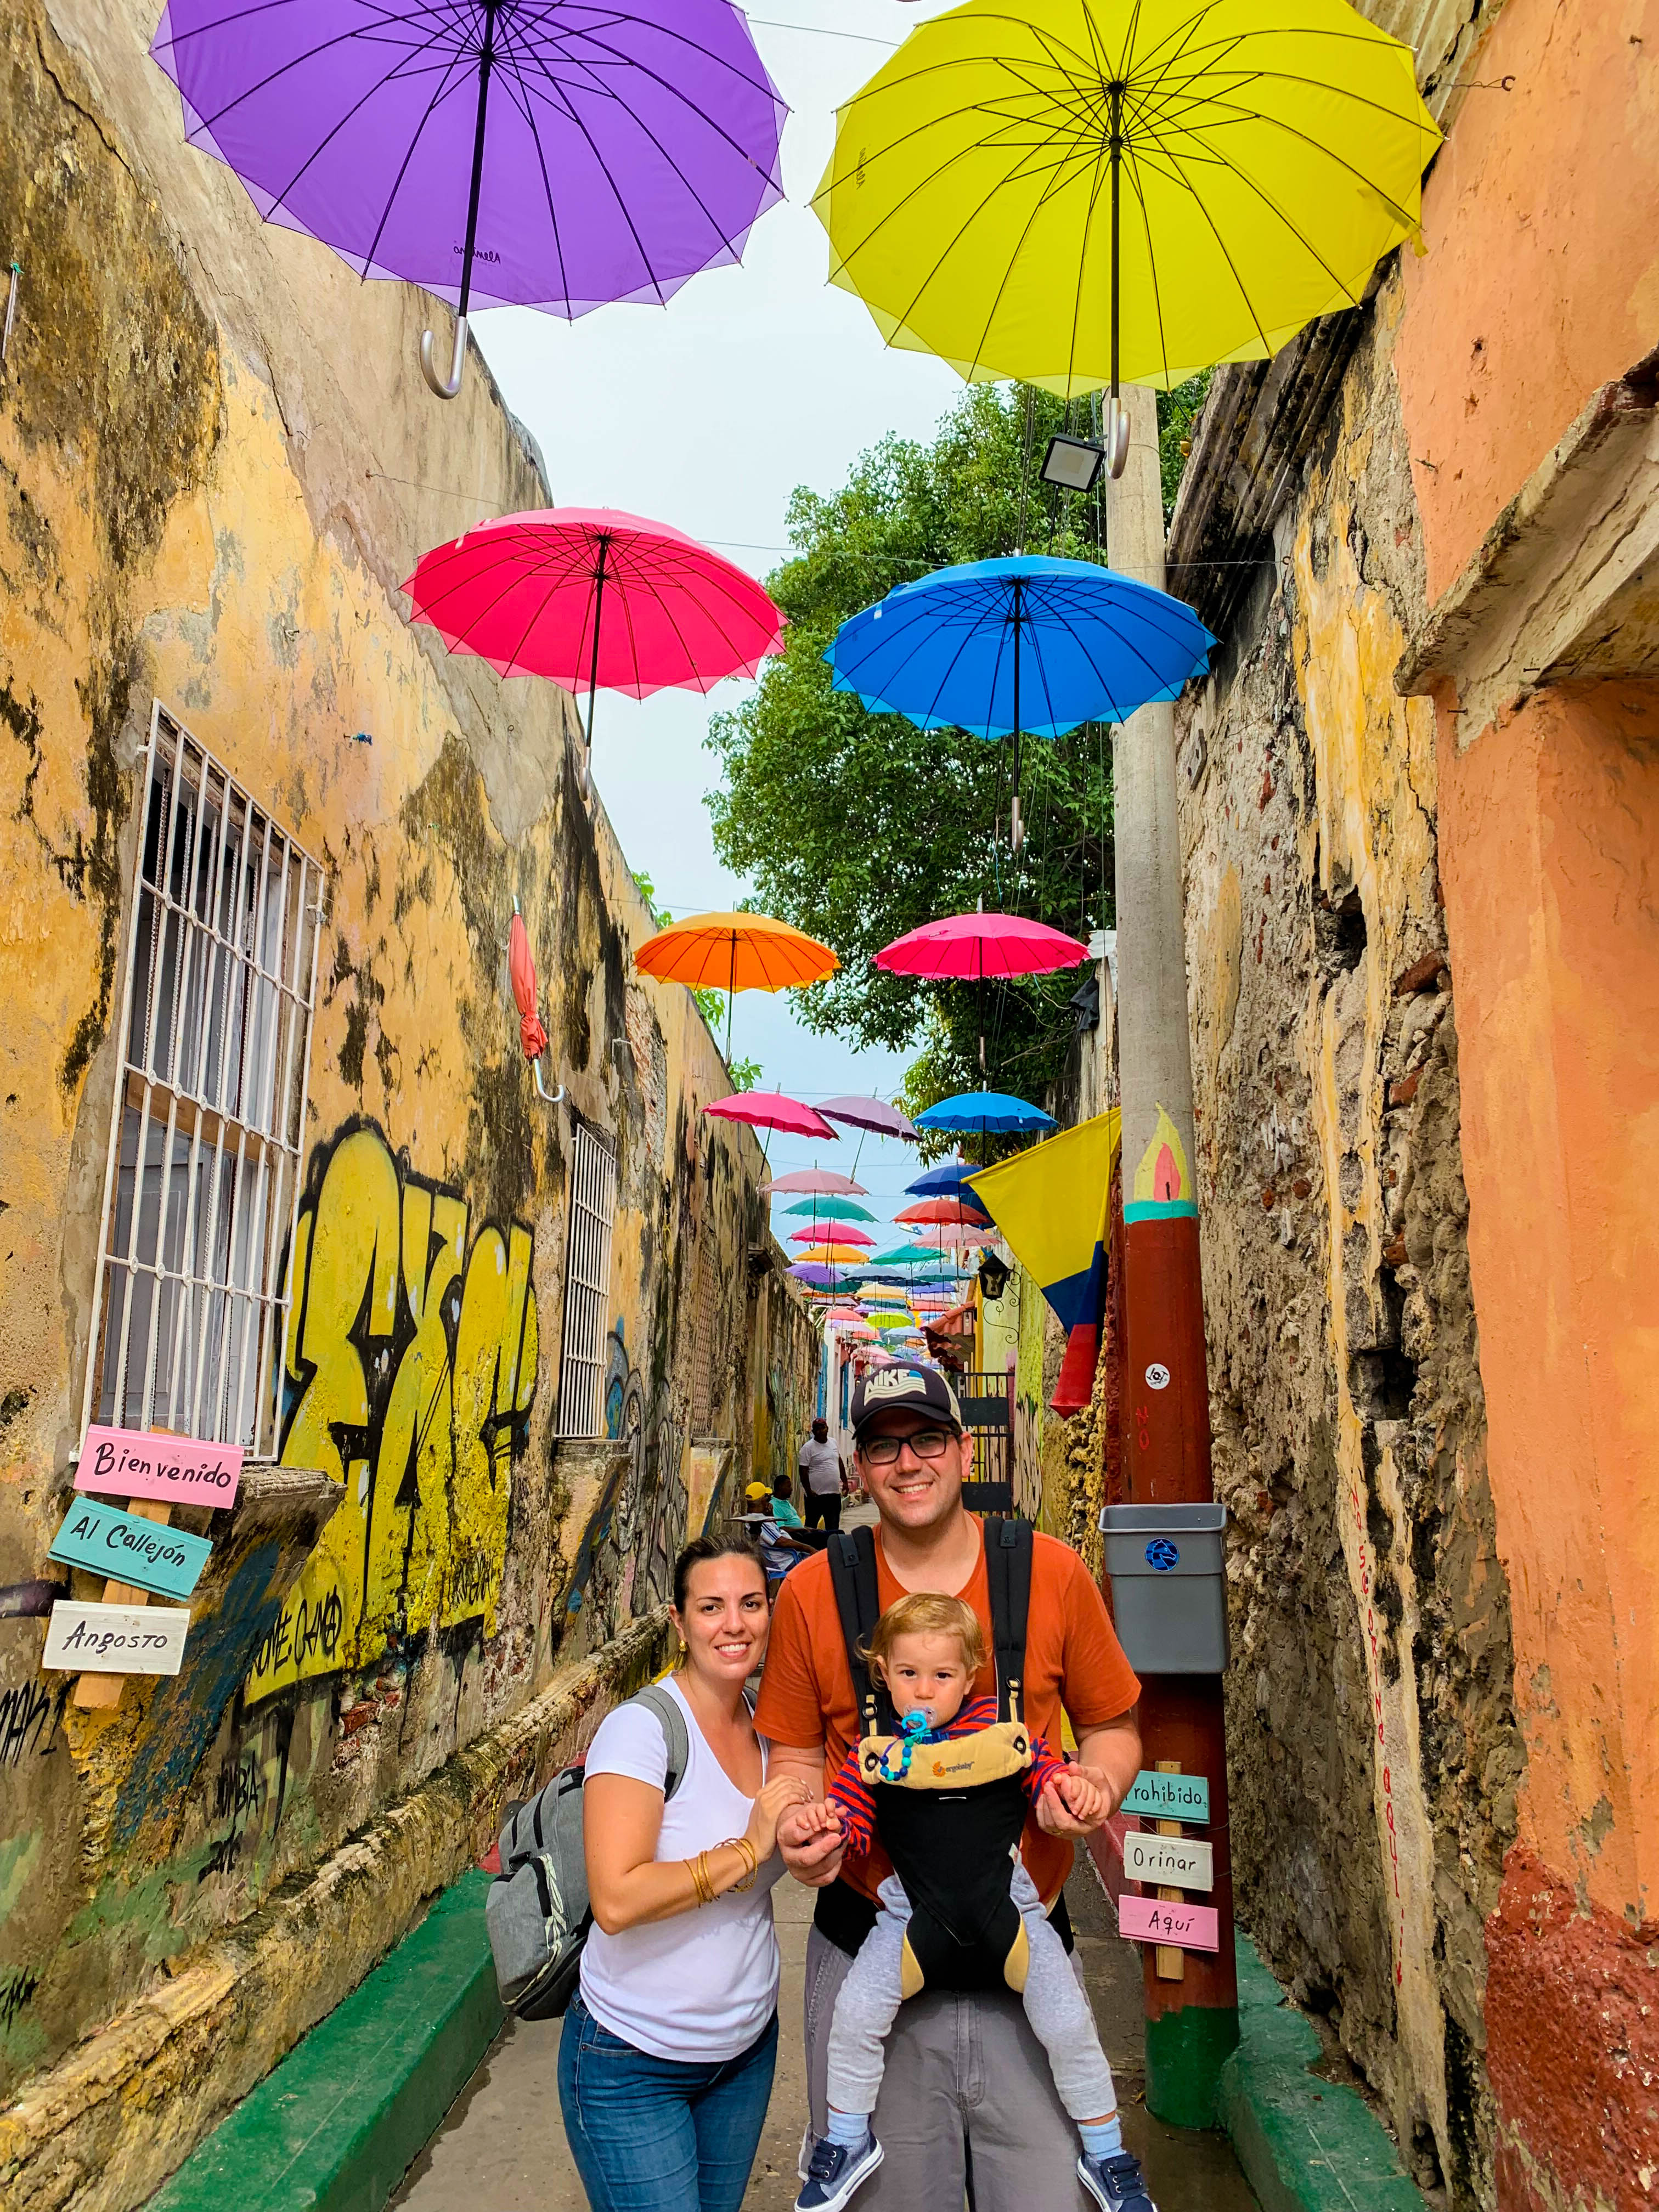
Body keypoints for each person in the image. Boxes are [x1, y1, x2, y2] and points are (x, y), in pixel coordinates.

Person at [757, 1364, 1152, 2212]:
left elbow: (1116, 1729)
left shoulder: (1049, 1573)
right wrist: (797, 1823)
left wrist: (1092, 1790)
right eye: (884, 1445)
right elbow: (791, 1757)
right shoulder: (812, 1593)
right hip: (872, 1941)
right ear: (858, 1467)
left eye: (927, 1438)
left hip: (1023, 1943)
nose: (908, 1463)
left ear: (963, 1449)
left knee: (1049, 2196)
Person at [789, 1593, 1130, 2212]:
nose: (924, 1692)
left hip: (1014, 1917)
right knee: (855, 2017)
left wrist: (1074, 1792)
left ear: (971, 1677)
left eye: (942, 1676)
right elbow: (853, 1824)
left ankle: (1107, 2151)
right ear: (884, 1674)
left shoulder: (1007, 1738)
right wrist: (826, 1832)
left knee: (1070, 2025)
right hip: (910, 1921)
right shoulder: (876, 1757)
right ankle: (845, 2140)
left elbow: (1049, 1776)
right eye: (908, 1674)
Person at [559, 1537, 810, 2211]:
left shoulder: (772, 1729)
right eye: (712, 1607)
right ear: (679, 1621)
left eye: (751, 1604)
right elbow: (615, 1899)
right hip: (632, 2062)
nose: (735, 1624)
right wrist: (747, 1848)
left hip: (745, 2053)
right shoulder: (641, 1731)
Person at [798, 1416, 848, 1535]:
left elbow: (839, 1462)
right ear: (813, 1432)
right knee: (811, 1527)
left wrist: (845, 1482)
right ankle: (811, 1552)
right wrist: (809, 1491)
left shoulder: (833, 1443)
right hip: (815, 1497)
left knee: (833, 1528)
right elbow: (803, 1471)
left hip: (833, 1495)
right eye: (817, 1429)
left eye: (822, 1428)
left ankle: (831, 1551)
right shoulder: (807, 1448)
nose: (820, 1431)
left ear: (827, 1428)